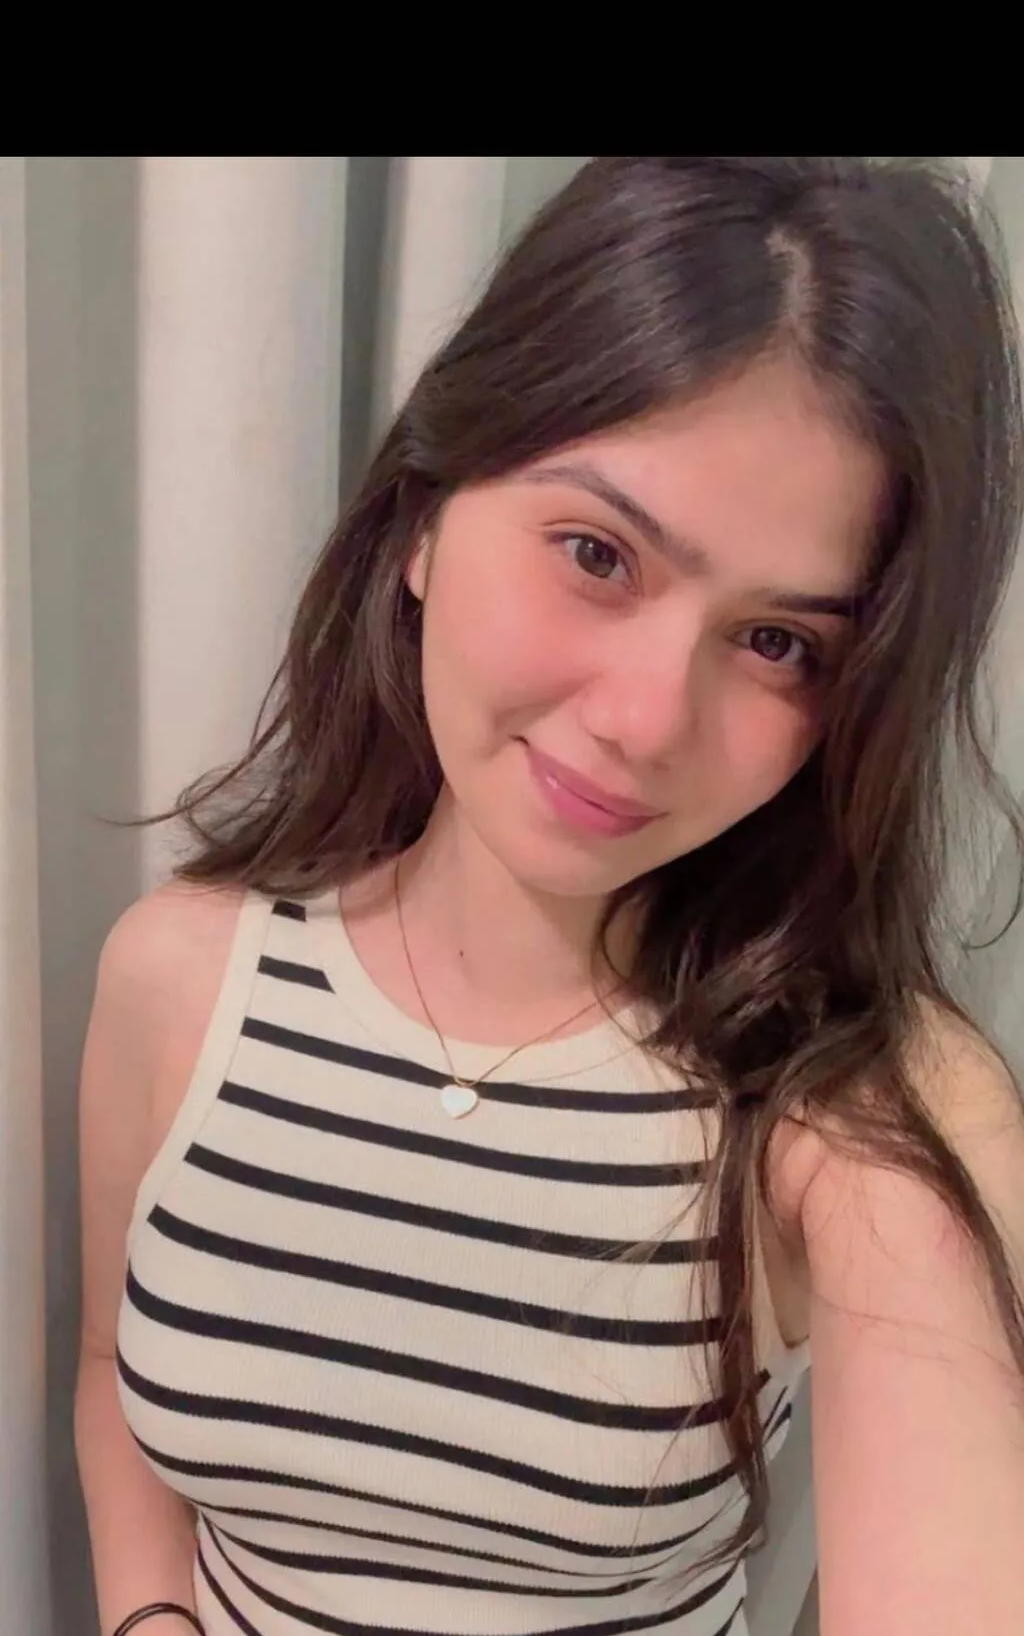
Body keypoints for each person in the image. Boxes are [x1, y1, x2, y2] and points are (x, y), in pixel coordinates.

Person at [76, 156, 1024, 1636]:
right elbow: (110, 1377)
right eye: (597, 553)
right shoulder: (179, 977)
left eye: (779, 643)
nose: (646, 719)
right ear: (423, 520)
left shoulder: (844, 1115)